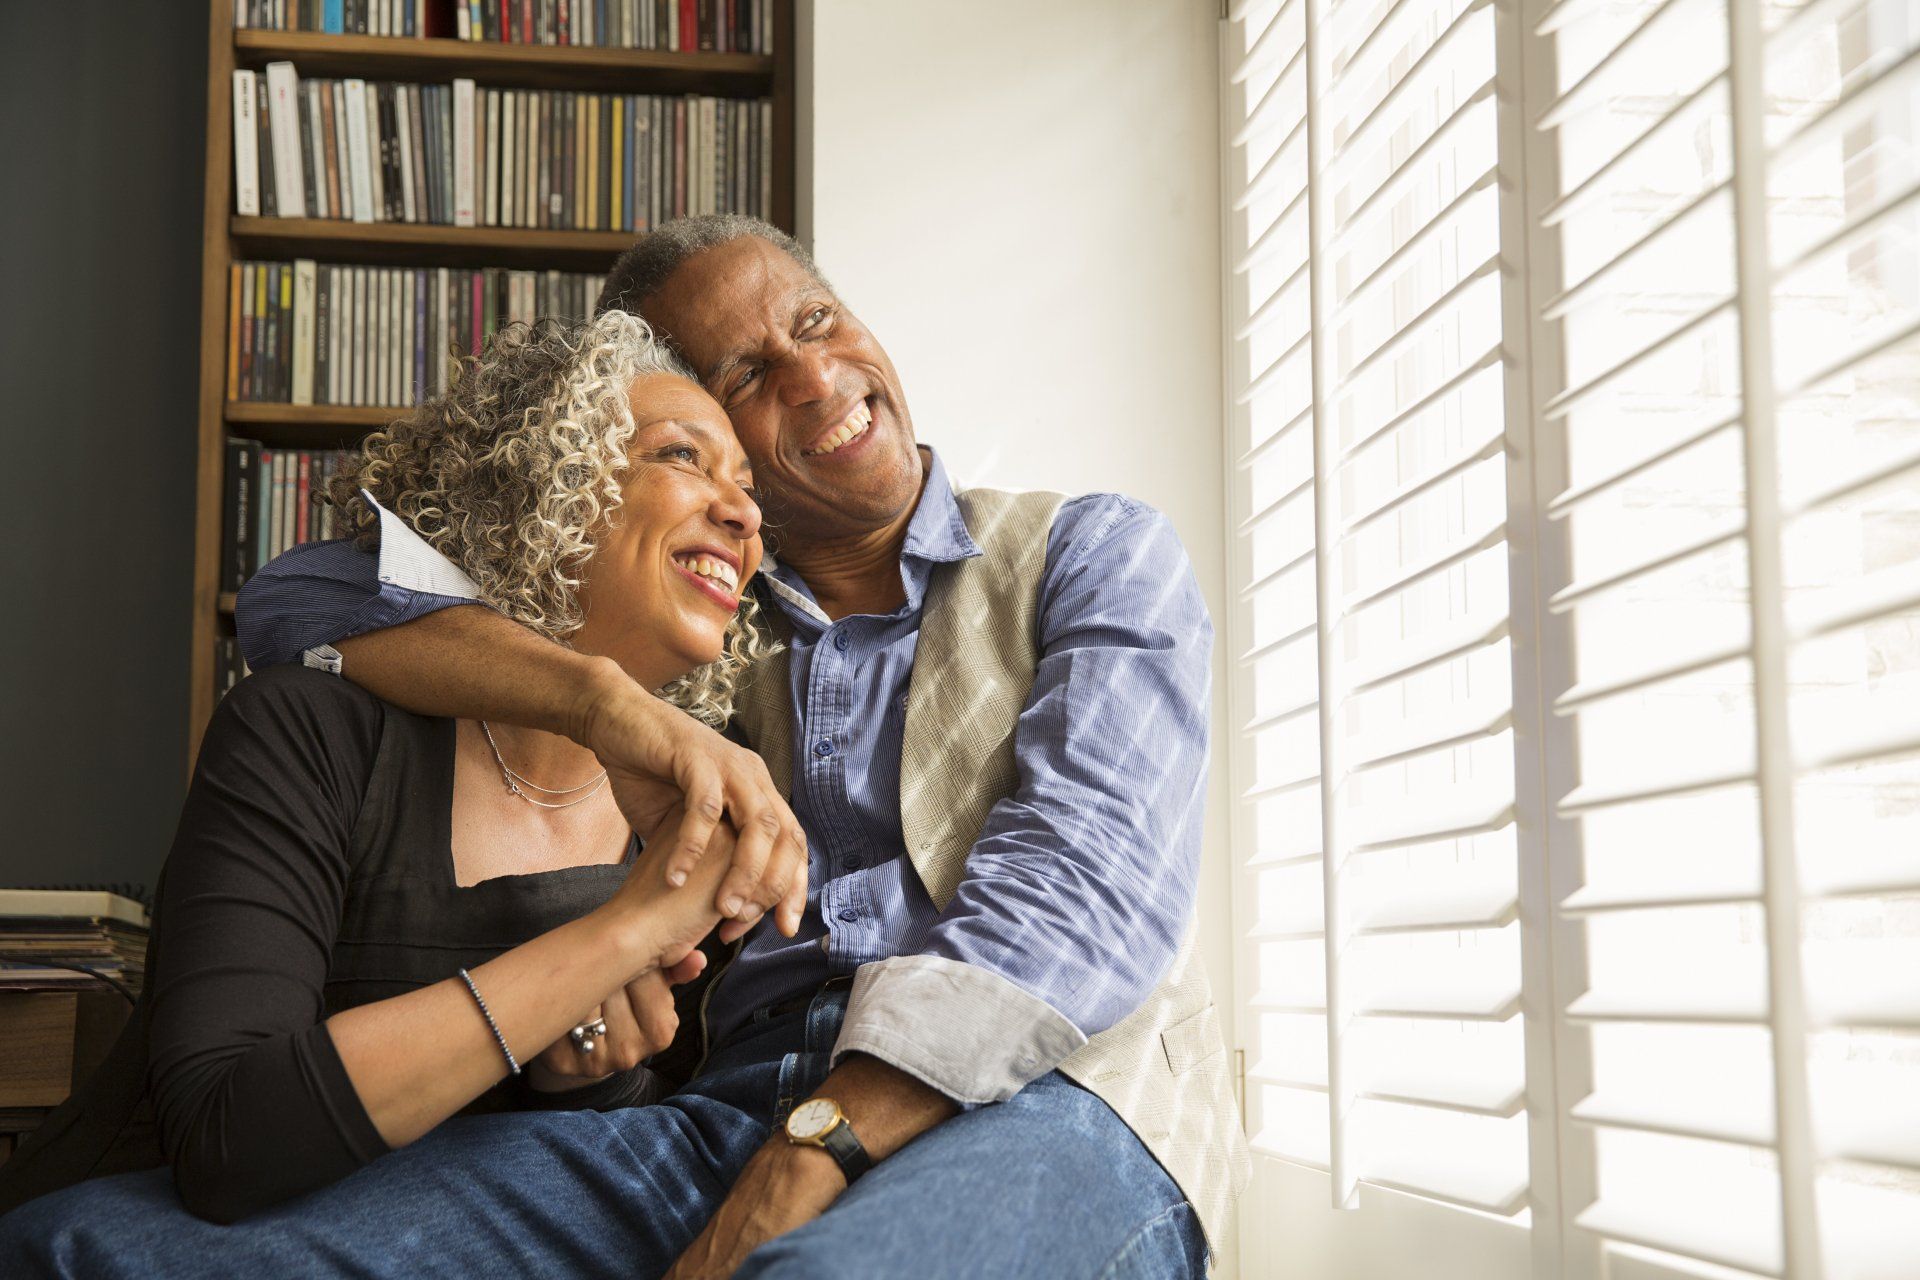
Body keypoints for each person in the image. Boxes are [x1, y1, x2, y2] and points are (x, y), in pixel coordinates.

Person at [5, 215, 1248, 1279]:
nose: (815, 380)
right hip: (716, 1117)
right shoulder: (701, 636)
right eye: (745, 377)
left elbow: (1078, 901)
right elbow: (303, 600)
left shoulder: (1089, 554)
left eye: (817, 320)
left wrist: (809, 1151)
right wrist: (620, 706)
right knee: (92, 1248)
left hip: (1047, 1096)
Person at [0, 311, 805, 1230]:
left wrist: (581, 1076)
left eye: (747, 488)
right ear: (546, 484)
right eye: (683, 457)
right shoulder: (308, 732)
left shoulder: (700, 819)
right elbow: (225, 1141)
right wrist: (616, 938)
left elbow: (558, 1187)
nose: (743, 515)